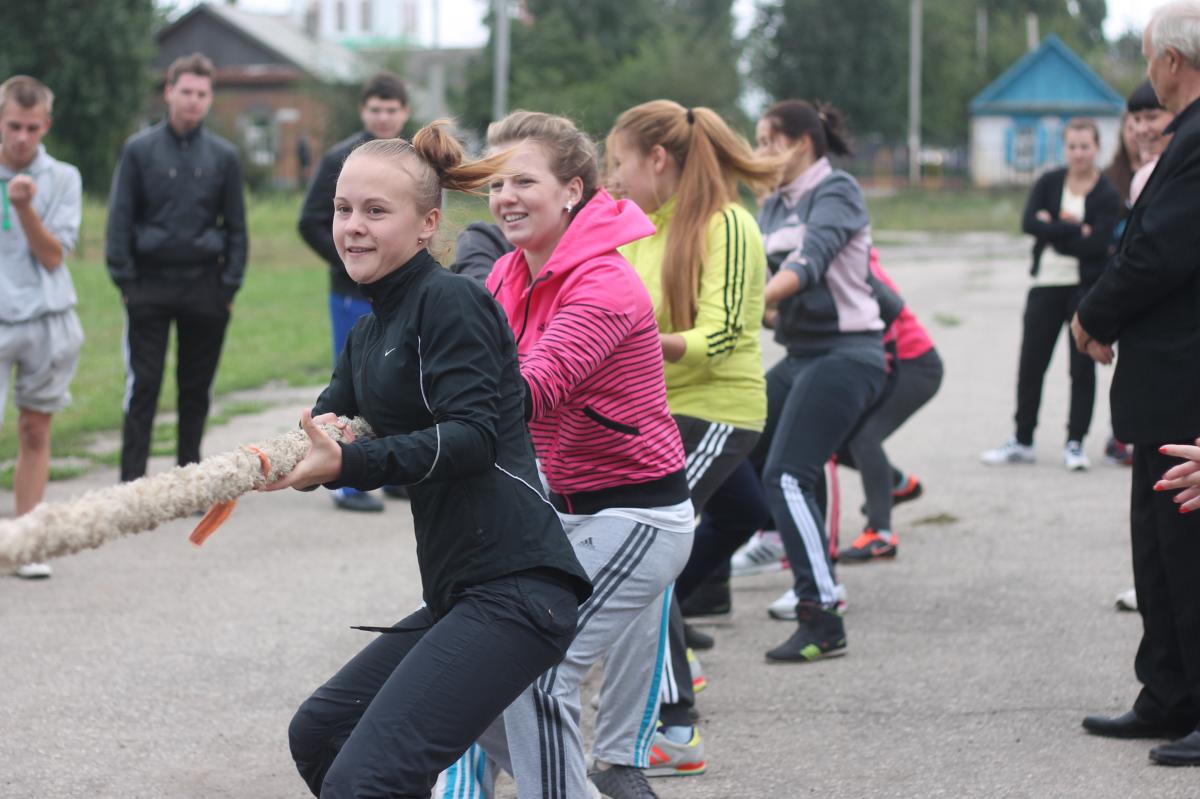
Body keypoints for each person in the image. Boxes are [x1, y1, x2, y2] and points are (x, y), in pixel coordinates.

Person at [274, 123, 592, 797]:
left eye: (375, 211)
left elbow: (472, 437)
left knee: (365, 780)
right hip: (461, 594)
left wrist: (348, 466)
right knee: (321, 732)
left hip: (518, 590)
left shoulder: (452, 302)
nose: (353, 226)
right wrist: (280, 457)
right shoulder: (369, 332)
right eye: (343, 209)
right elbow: (326, 428)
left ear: (427, 225)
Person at [444, 110, 693, 799]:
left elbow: (529, 390)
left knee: (532, 669)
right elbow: (460, 367)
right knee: (481, 676)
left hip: (639, 519)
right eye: (495, 184)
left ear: (573, 191)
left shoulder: (606, 286)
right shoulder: (503, 276)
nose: (505, 197)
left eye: (523, 180)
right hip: (561, 513)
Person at [607, 99, 778, 777]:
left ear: (657, 159)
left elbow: (727, 335)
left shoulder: (728, 225)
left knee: (642, 552)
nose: (612, 176)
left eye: (620, 161)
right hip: (659, 410)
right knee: (652, 550)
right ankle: (678, 666)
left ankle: (675, 728)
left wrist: (635, 339)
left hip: (717, 411)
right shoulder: (640, 227)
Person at [1074, 0, 1200, 768]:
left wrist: (1091, 315)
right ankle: (1168, 692)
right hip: (1161, 383)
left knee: (1188, 551)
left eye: (1151, 57)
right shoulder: (1183, 141)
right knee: (1156, 549)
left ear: (1173, 64)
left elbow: (1159, 254)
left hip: (1186, 380)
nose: (1147, 73)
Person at [752, 99, 887, 663]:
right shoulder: (771, 203)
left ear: (802, 143)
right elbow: (766, 284)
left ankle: (822, 613)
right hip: (803, 354)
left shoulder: (836, 192)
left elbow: (809, 263)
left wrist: (746, 302)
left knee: (787, 474)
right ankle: (787, 561)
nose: (760, 153)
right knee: (754, 444)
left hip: (847, 355)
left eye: (767, 141)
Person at [105, 53, 247, 482]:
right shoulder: (139, 150)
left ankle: (187, 477)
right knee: (144, 385)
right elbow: (119, 221)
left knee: (195, 389)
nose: (193, 101)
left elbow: (237, 228)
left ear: (210, 98)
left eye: (202, 94)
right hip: (148, 285)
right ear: (169, 92)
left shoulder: (223, 156)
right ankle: (130, 484)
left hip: (205, 287)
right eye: (186, 91)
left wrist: (228, 288)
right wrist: (126, 281)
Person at [298, 71, 411, 512]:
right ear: (364, 110)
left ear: (403, 112)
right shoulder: (338, 158)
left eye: (392, 109)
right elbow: (309, 221)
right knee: (353, 384)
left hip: (399, 291)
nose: (383, 117)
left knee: (400, 377)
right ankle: (345, 480)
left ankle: (396, 469)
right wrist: (352, 258)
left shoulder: (411, 158)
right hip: (351, 292)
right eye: (376, 109)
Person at [981, 118, 1120, 470]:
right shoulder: (1048, 182)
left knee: (1081, 368)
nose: (1078, 153)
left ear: (1096, 147)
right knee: (1031, 364)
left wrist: (1054, 229)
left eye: (1084, 146)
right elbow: (1029, 222)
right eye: (1072, 146)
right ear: (1065, 148)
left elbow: (1098, 244)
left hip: (1084, 290)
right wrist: (1073, 228)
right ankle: (1023, 439)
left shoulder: (1106, 194)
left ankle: (1075, 443)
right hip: (1045, 285)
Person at [0, 75, 83, 580]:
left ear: (46, 125)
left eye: (32, 127)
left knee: (35, 428)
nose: (23, 137)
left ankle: (25, 541)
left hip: (47, 319)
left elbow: (53, 256)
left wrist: (25, 206)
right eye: (14, 126)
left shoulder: (63, 178)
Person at [836, 250, 944, 561]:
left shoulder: (857, 263)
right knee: (838, 438)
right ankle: (897, 484)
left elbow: (889, 313)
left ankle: (880, 535)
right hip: (887, 364)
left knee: (863, 437)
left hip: (914, 365)